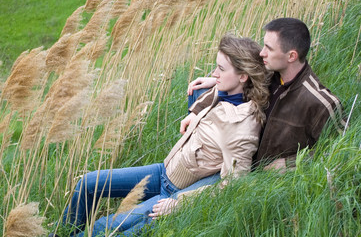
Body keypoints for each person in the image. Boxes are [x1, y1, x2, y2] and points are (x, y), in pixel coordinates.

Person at [54, 34, 269, 237]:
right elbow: (218, 91)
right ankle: (61, 233)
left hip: (173, 193)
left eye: (220, 69)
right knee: (87, 184)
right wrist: (198, 107)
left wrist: (179, 203)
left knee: (103, 227)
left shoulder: (240, 127)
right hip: (163, 171)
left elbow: (233, 184)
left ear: (243, 75)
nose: (214, 73)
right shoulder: (227, 91)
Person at [184, 18, 344, 171]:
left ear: (291, 56)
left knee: (174, 198)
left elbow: (341, 151)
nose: (262, 53)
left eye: (269, 48)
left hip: (256, 178)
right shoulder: (267, 73)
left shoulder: (320, 103)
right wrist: (197, 111)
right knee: (199, 90)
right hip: (232, 156)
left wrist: (290, 164)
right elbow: (233, 78)